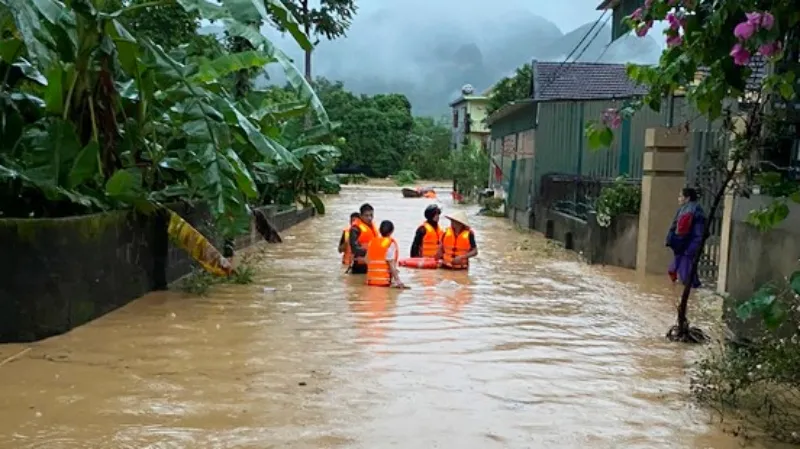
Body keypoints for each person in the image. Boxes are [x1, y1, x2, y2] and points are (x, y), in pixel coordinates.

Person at [666, 187, 705, 288]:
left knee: (686, 275)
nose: (678, 199)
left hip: (687, 246)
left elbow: (697, 232)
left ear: (687, 198)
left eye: (680, 196)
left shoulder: (692, 210)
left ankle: (691, 293)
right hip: (683, 245)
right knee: (676, 270)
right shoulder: (685, 209)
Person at [366, 220, 405, 288]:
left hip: (371, 282)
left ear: (379, 230)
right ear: (392, 231)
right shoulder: (390, 243)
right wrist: (398, 281)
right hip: (384, 282)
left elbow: (366, 260)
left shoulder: (372, 242)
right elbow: (391, 264)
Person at [349, 203, 378, 274]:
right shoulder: (355, 229)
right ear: (361, 216)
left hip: (371, 263)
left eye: (371, 215)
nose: (369, 218)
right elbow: (354, 248)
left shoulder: (372, 227)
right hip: (360, 265)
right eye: (366, 215)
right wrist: (371, 252)